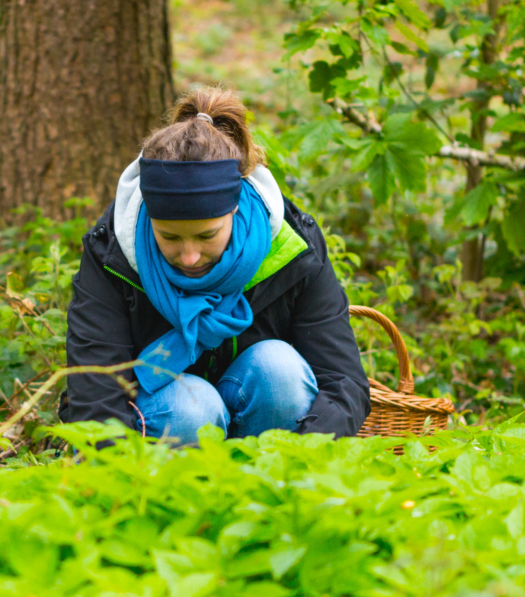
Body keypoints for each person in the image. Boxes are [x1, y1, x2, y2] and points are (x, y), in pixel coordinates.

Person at [59, 87, 370, 443]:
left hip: (269, 424)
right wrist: (112, 479)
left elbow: (343, 381)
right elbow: (95, 391)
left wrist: (304, 454)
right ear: (148, 215)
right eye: (170, 238)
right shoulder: (113, 253)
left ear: (234, 210)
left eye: (207, 235)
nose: (189, 256)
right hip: (170, 421)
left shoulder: (291, 246)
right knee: (193, 408)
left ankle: (270, 487)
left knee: (278, 370)